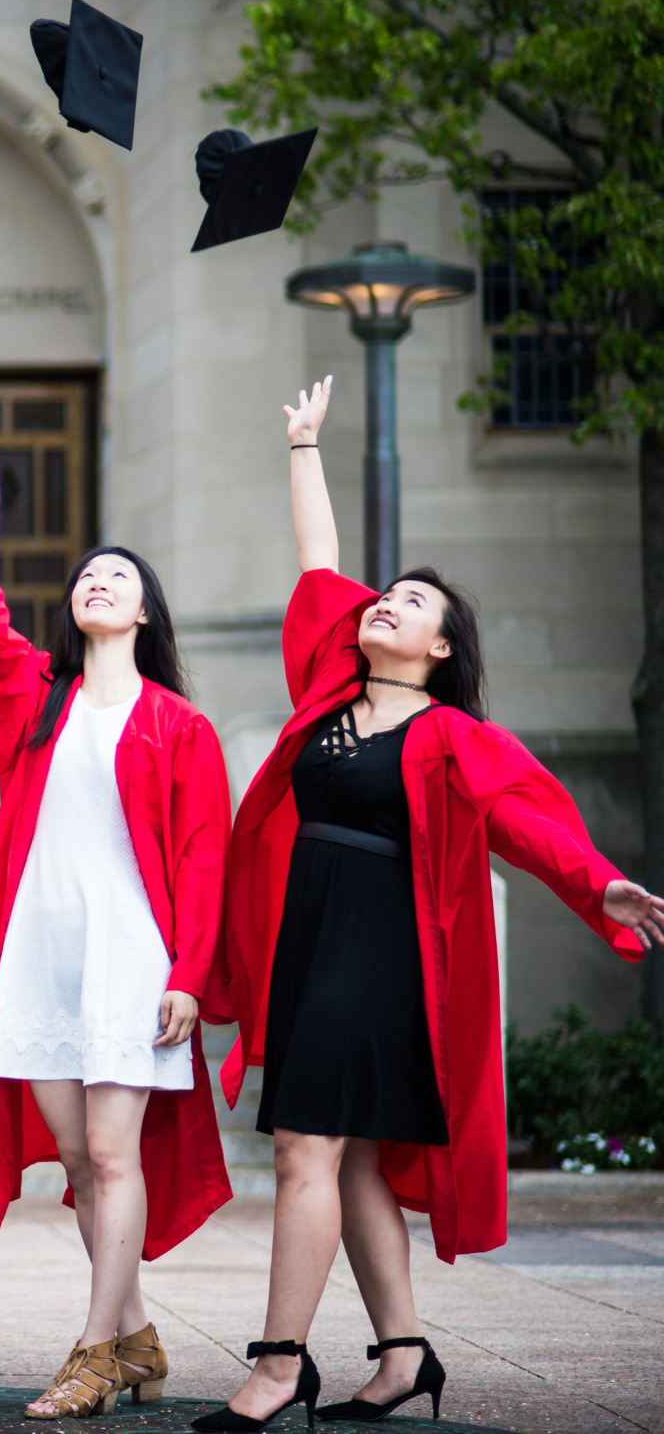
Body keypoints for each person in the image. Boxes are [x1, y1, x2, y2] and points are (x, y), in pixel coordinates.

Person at [195, 379, 663, 1432]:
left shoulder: (454, 738)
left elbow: (529, 820)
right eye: (382, 597)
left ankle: (277, 1364)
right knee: (349, 1154)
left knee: (304, 1143)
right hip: (313, 941)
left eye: (408, 602)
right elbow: (318, 569)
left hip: (383, 954)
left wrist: (598, 879)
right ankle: (402, 1354)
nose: (382, 603)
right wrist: (302, 445)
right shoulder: (327, 690)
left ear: (440, 647)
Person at [0, 451, 234, 1421]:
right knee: (78, 1160)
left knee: (111, 1151)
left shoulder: (176, 723)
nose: (95, 581)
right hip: (36, 955)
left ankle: (90, 1347)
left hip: (131, 957)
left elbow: (204, 859)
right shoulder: (35, 706)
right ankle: (133, 1335)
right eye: (86, 574)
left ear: (143, 613)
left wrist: (188, 973)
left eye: (116, 577)